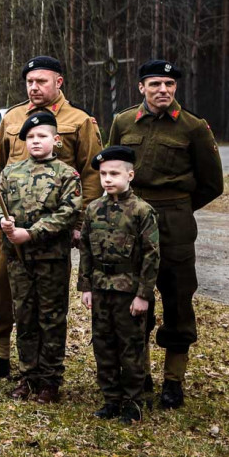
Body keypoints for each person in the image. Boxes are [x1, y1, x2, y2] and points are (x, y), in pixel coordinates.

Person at [0, 55, 102, 381]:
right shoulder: (14, 117)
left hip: (50, 233)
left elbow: (91, 174)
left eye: (41, 81)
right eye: (30, 82)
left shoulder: (80, 121)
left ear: (59, 82)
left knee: (48, 301)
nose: (34, 87)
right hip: (10, 229)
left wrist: (79, 223)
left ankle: (47, 369)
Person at [107, 59, 223, 409]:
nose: (163, 91)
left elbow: (212, 184)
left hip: (174, 226)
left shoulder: (193, 127)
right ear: (141, 87)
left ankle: (173, 380)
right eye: (155, 84)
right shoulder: (123, 122)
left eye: (169, 85)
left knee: (178, 303)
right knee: (133, 302)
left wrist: (178, 209)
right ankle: (138, 372)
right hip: (131, 225)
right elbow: (113, 168)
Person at [0, 112, 82, 403]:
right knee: (25, 317)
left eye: (42, 136)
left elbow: (69, 212)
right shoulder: (11, 172)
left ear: (56, 140)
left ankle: (50, 380)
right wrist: (1, 222)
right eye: (30, 137)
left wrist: (32, 232)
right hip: (19, 259)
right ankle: (28, 375)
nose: (36, 141)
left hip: (51, 259)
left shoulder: (67, 175)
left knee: (51, 318)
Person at [78, 145, 159, 425]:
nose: (108, 179)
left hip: (129, 290)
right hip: (101, 289)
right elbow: (85, 250)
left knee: (131, 347)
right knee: (103, 345)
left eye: (114, 173)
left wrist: (144, 295)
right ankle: (111, 399)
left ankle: (134, 402)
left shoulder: (141, 211)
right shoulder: (93, 209)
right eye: (103, 174)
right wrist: (86, 287)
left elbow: (152, 255)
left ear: (130, 175)